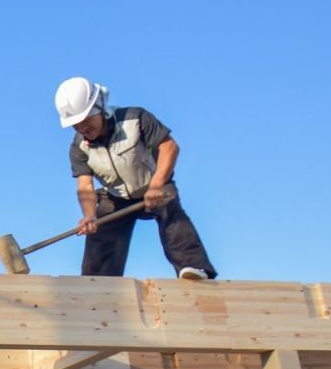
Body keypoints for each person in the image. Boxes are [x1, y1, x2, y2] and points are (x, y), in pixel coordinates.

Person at [53, 77, 217, 280]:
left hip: (153, 184)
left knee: (170, 212)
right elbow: (85, 185)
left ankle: (194, 268)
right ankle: (97, 286)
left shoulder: (135, 119)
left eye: (86, 119)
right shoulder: (79, 147)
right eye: (75, 124)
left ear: (100, 107)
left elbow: (169, 147)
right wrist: (89, 216)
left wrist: (157, 185)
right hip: (116, 197)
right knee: (100, 228)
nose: (82, 128)